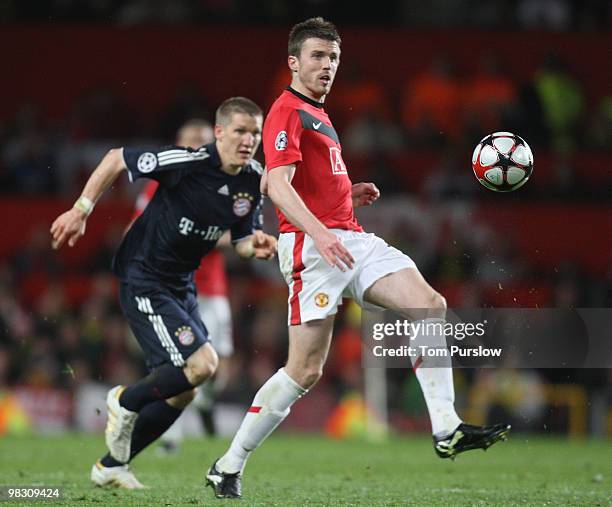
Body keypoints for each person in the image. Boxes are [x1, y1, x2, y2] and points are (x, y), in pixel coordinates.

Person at [206, 19, 510, 499]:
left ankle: (446, 427)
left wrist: (348, 193)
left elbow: (312, 180)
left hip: (350, 238)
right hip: (313, 248)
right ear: (293, 61)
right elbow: (277, 187)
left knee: (428, 306)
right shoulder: (286, 109)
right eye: (317, 57)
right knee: (304, 371)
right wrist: (321, 231)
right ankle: (229, 464)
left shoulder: (317, 113)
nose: (326, 66)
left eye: (333, 58)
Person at [50, 97, 278, 489]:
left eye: (255, 133)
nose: (249, 140)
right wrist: (82, 210)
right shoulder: (187, 163)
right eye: (240, 130)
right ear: (220, 132)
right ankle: (124, 401)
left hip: (181, 285)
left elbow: (240, 240)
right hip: (145, 278)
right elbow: (116, 157)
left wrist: (253, 246)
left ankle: (112, 466)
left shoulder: (252, 182)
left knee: (184, 392)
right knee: (203, 366)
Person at [129, 119, 235, 452]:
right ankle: (169, 433)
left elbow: (236, 233)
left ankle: (204, 402)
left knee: (218, 363)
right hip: (171, 287)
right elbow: (138, 225)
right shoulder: (159, 183)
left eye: (202, 142)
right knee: (182, 361)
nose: (195, 147)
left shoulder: (225, 184)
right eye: (189, 140)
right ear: (177, 143)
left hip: (212, 289)